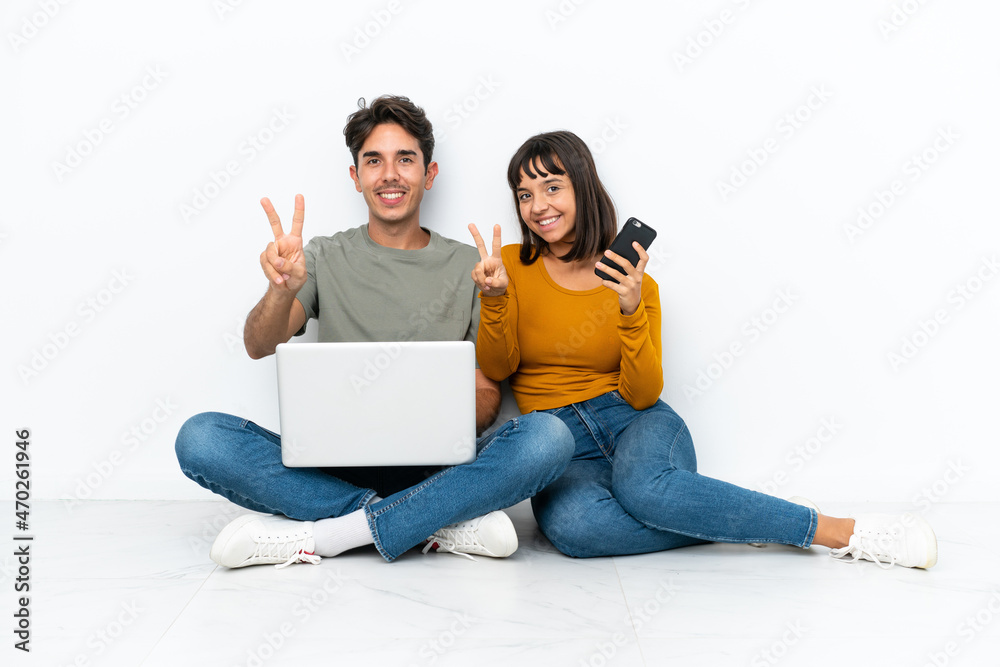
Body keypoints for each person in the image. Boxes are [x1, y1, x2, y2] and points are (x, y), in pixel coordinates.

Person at [468, 130, 937, 569]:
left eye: (552, 187)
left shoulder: (636, 283)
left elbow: (644, 392)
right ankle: (744, 519)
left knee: (645, 490)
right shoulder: (508, 265)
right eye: (524, 194)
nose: (537, 206)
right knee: (577, 531)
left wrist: (631, 310)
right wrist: (493, 301)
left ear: (584, 189)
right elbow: (497, 365)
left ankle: (840, 533)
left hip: (633, 419)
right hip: (559, 441)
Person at [174, 96, 574, 569]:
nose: (390, 174)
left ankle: (334, 533)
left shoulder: (471, 266)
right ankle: (432, 522)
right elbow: (259, 345)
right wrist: (281, 289)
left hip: (436, 468)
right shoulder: (322, 255)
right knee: (201, 438)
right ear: (356, 176)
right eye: (374, 161)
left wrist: (427, 417)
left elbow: (487, 392)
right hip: (333, 464)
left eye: (405, 159)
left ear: (428, 175)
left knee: (549, 436)